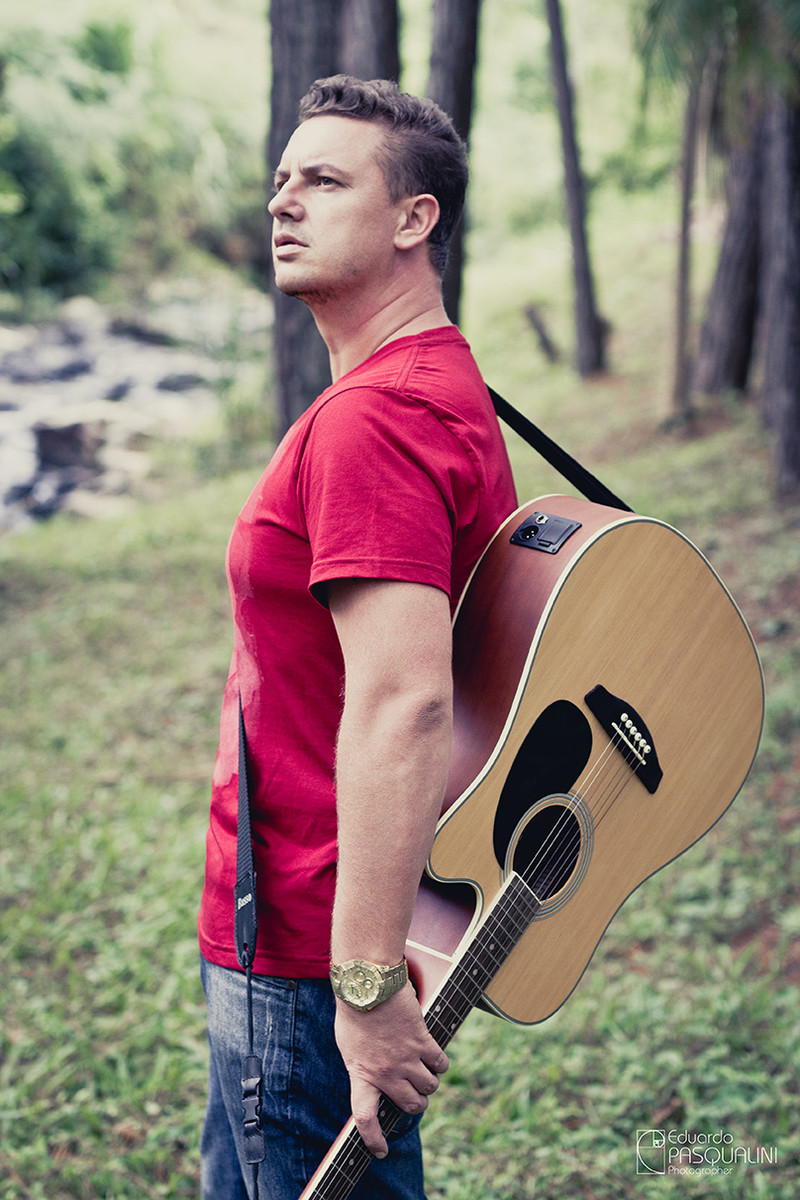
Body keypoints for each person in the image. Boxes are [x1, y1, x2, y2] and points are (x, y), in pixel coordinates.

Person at [197, 75, 518, 1200]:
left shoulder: (375, 419)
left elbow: (405, 701)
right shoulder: (426, 378)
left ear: (413, 218)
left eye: (325, 181)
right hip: (298, 925)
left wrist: (368, 985)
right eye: (283, 178)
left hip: (307, 943)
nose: (282, 201)